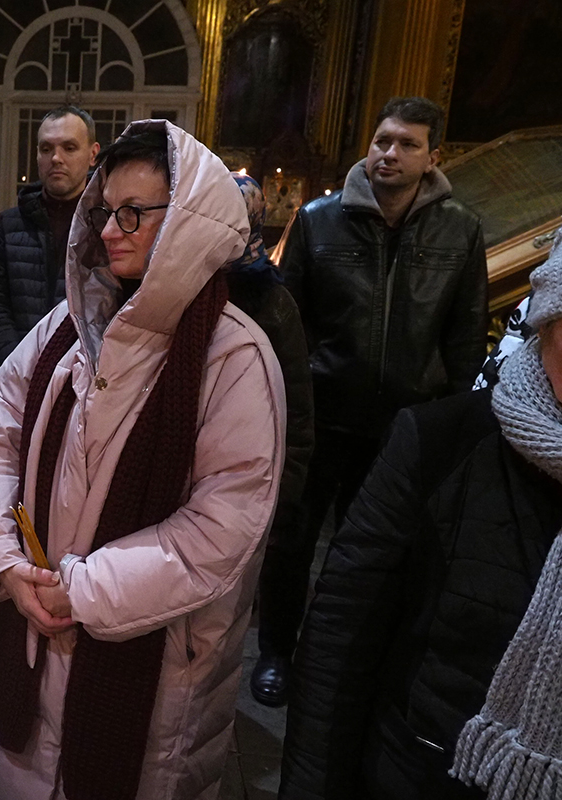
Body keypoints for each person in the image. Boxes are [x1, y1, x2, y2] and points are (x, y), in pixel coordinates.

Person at [0, 120, 285, 800]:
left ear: (189, 221)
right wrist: (5, 562)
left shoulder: (233, 356)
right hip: (26, 620)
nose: (109, 229)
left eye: (133, 212)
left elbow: (220, 527)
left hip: (155, 666)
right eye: (105, 210)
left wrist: (80, 590)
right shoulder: (65, 325)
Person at [279, 234, 562, 800]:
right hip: (419, 773)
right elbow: (341, 640)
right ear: (547, 321)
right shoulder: (441, 445)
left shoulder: (455, 231)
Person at [255, 96, 489, 703]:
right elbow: (286, 321)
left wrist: (449, 421)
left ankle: (339, 661)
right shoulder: (318, 219)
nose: (390, 153)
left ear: (433, 156)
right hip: (322, 415)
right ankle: (276, 652)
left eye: (408, 144)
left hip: (403, 426)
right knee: (291, 542)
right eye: (383, 140)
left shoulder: (460, 229)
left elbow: (466, 333)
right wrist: (290, 402)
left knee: (372, 553)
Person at [222, 175, 316, 707]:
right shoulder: (175, 284)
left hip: (250, 473)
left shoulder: (273, 302)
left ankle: (272, 654)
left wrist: (286, 494)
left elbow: (297, 411)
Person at [0, 106, 100, 369]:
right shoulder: (9, 225)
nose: (55, 158)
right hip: (16, 372)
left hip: (84, 372)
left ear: (93, 154)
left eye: (69, 148)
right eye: (46, 149)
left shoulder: (108, 224)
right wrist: (19, 365)